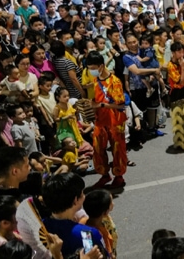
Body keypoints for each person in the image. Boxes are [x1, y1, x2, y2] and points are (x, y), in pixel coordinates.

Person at [86, 52, 129, 189]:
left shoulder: (114, 81)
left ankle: (119, 175)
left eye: (93, 67)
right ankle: (104, 175)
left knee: (117, 148)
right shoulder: (95, 80)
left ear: (101, 66)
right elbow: (96, 100)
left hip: (115, 120)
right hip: (101, 120)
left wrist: (102, 105)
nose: (90, 70)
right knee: (98, 148)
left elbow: (121, 105)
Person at [42, 173, 108, 258]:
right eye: (82, 193)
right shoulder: (87, 234)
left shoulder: (41, 226)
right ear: (75, 200)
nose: (84, 196)